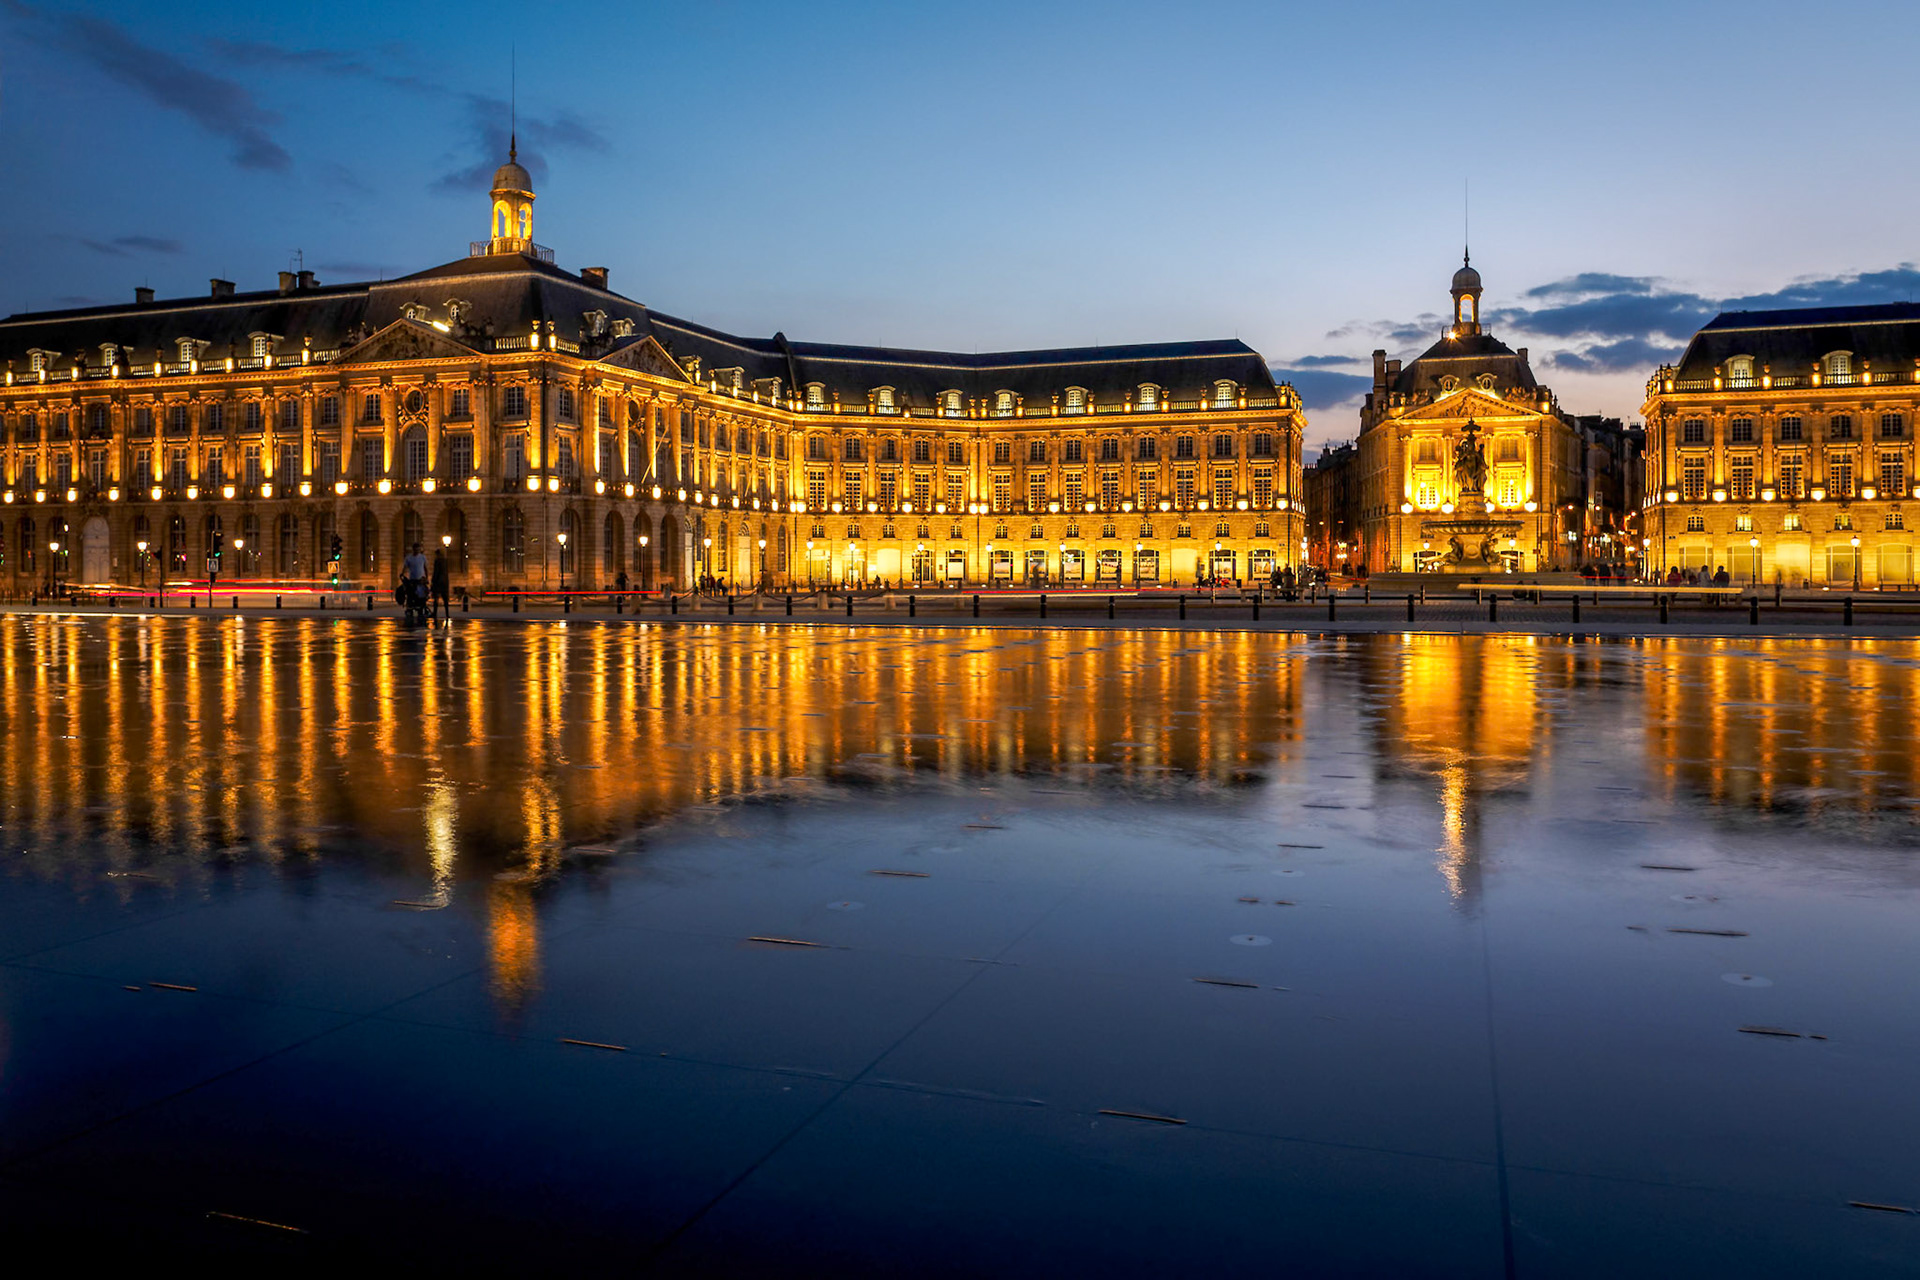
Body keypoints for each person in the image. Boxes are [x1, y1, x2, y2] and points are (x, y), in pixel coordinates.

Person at [430, 546, 451, 620]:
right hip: (444, 582)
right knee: (445, 600)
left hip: (438, 582)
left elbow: (436, 572)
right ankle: (447, 614)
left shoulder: (437, 561)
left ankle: (435, 613)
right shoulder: (445, 561)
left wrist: (433, 581)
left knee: (436, 599)